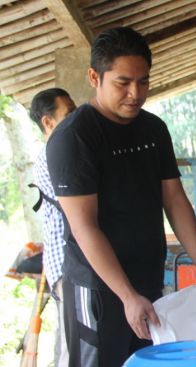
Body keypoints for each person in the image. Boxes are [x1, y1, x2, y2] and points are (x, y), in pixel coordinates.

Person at [46, 27, 196, 367]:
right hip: (99, 291)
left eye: (144, 81)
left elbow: (175, 201)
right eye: (123, 82)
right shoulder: (73, 138)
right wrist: (126, 295)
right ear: (95, 77)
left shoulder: (153, 129)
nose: (135, 93)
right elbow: (84, 227)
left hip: (148, 280)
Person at [29, 88, 76, 367]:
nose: (76, 117)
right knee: (73, 341)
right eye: (68, 113)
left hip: (66, 262)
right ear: (48, 122)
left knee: (73, 336)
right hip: (66, 263)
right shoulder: (51, 155)